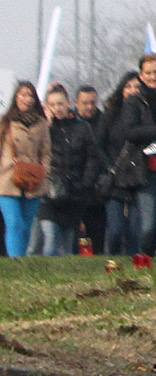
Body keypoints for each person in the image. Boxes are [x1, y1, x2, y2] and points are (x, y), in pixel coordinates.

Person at [112, 52, 156, 257]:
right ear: (141, 75)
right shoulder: (133, 101)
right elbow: (130, 132)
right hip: (146, 169)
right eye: (148, 73)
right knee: (148, 224)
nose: (153, 77)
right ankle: (147, 260)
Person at [40, 86, 102, 255]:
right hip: (49, 194)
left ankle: (64, 275)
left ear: (68, 103)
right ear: (47, 106)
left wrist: (85, 182)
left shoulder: (82, 127)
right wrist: (46, 126)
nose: (57, 108)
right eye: (52, 105)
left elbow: (92, 157)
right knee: (51, 237)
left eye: (60, 103)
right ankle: (45, 273)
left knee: (68, 242)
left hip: (74, 192)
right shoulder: (43, 128)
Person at [1, 83, 44, 256]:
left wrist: (43, 169)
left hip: (33, 178)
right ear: (16, 97)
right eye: (23, 95)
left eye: (30, 96)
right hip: (7, 179)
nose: (27, 99)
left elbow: (46, 151)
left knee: (26, 224)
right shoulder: (5, 122)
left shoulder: (41, 124)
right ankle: (14, 260)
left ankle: (22, 259)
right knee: (14, 223)